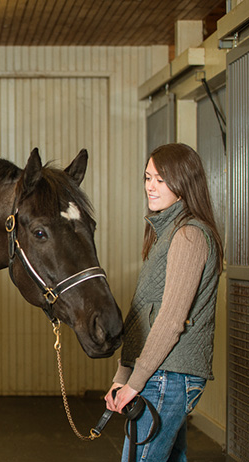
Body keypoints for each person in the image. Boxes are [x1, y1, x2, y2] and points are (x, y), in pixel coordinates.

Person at [104, 143, 223, 462]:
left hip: (169, 374)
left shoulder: (189, 236)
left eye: (161, 179)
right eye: (147, 177)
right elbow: (143, 314)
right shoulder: (167, 234)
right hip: (162, 373)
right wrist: (122, 377)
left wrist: (135, 381)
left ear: (184, 184)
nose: (150, 186)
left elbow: (170, 320)